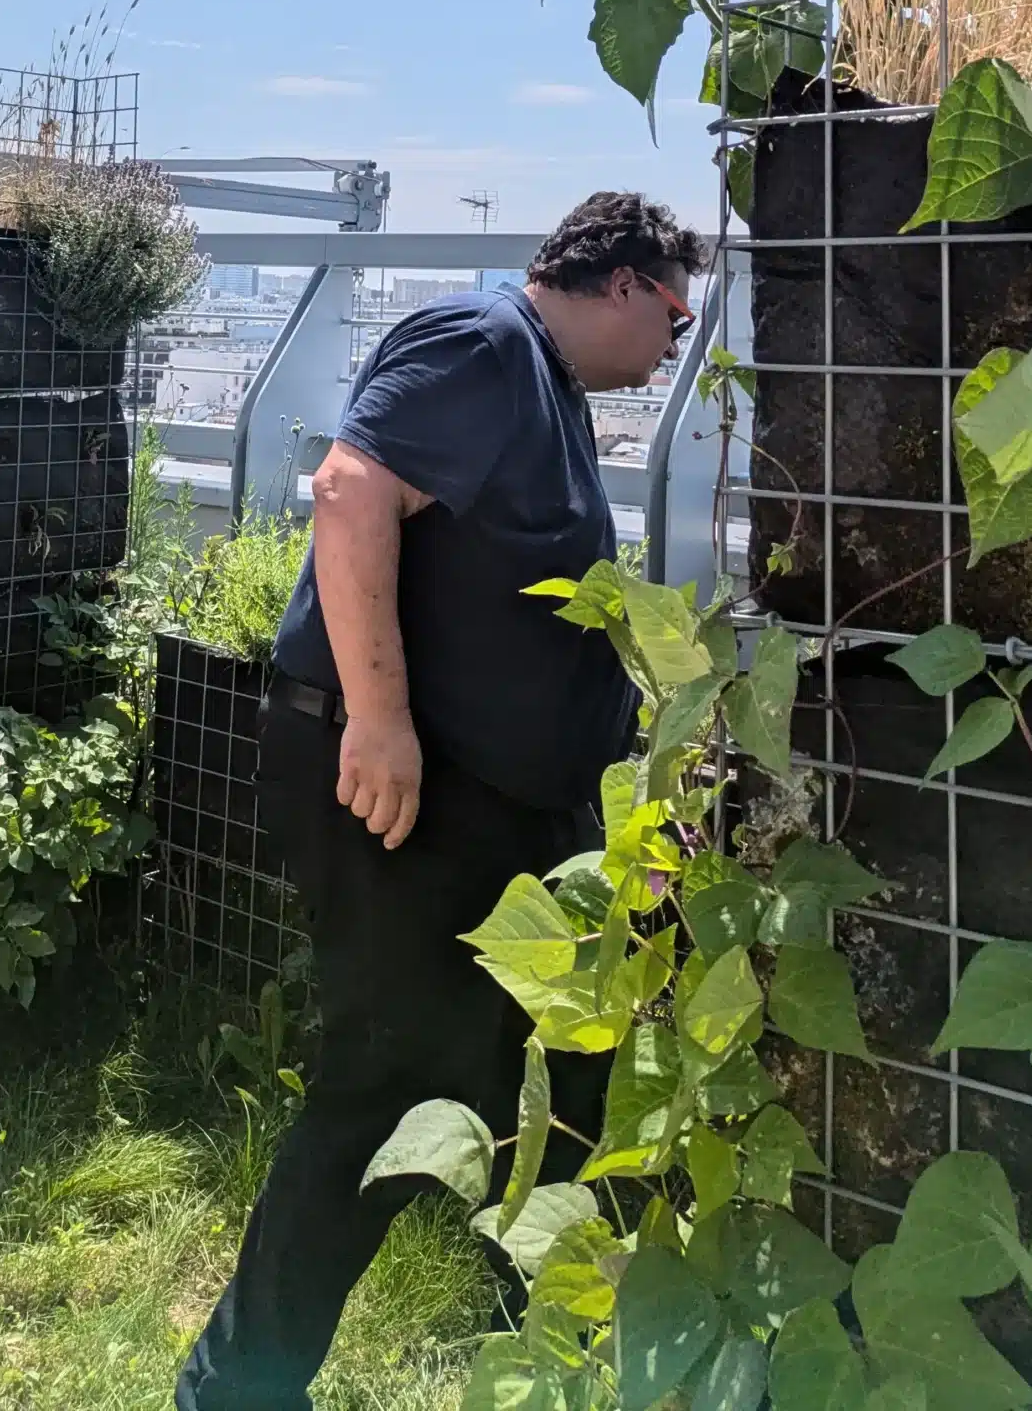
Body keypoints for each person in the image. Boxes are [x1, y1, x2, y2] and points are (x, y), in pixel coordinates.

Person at [176, 189, 713, 1411]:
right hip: (405, 797)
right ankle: (235, 1386)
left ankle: (556, 1359)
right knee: (383, 1079)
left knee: (563, 1075)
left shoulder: (551, 393)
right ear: (623, 281)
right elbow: (348, 492)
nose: (674, 346)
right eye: (676, 319)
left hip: (501, 809)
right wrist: (378, 716)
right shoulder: (483, 345)